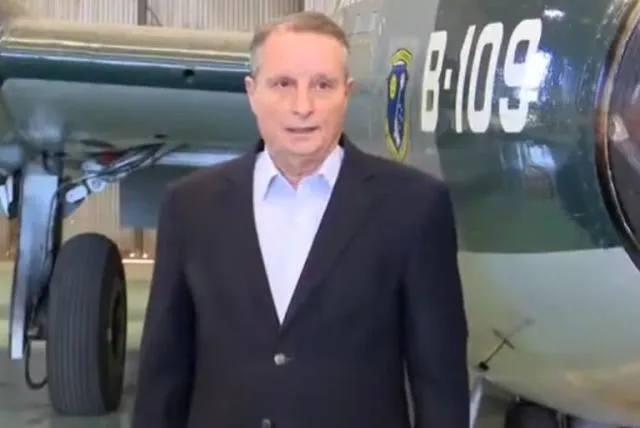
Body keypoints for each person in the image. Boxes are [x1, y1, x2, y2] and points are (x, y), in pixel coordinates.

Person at [131, 10, 469, 428]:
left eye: (322, 85)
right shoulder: (190, 206)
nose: (303, 106)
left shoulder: (414, 207)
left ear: (347, 93)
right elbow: (163, 372)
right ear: (252, 92)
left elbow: (440, 380)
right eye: (283, 84)